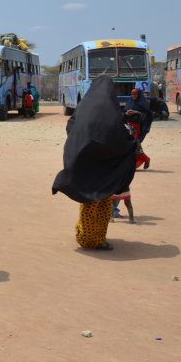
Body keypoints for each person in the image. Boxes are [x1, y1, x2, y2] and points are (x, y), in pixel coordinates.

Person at [53, 76, 137, 251]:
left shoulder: (84, 107)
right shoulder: (111, 111)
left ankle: (85, 236)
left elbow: (71, 127)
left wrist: (82, 143)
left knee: (88, 203)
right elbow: (119, 136)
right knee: (102, 205)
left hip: (84, 163)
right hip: (104, 169)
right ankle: (97, 239)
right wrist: (131, 144)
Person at [125, 88, 152, 169]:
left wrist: (137, 112)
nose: (133, 96)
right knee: (130, 145)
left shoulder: (143, 103)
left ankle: (146, 159)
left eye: (135, 94)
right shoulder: (130, 102)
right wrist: (126, 113)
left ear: (138, 95)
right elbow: (124, 111)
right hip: (128, 126)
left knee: (135, 145)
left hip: (137, 127)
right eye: (132, 94)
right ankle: (138, 161)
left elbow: (148, 114)